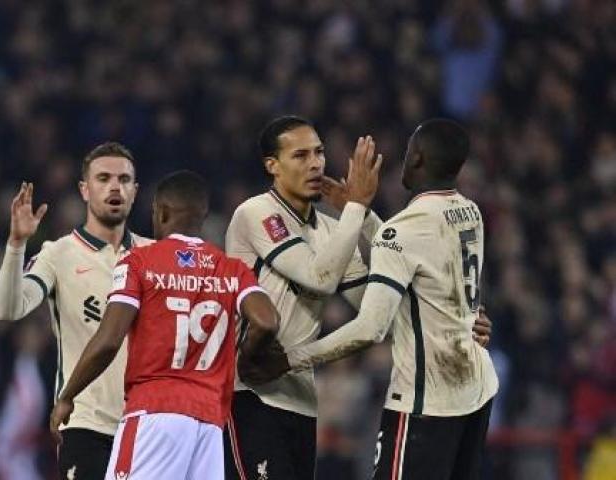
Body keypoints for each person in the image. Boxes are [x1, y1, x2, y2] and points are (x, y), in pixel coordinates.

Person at [245, 118, 499, 480]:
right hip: (476, 390)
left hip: (426, 403)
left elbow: (369, 328)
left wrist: (290, 360)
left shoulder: (405, 229)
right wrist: (362, 214)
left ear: (417, 160)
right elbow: (419, 259)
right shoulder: (470, 212)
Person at [49, 170, 282, 480]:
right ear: (202, 215)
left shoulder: (139, 262)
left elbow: (108, 340)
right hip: (210, 423)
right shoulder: (232, 269)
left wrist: (68, 395)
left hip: (154, 413)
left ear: (161, 211)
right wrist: (250, 356)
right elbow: (267, 321)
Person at [223, 115, 386, 480]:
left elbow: (374, 309)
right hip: (249, 391)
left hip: (302, 400)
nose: (315, 163)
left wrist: (364, 217)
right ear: (273, 166)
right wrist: (355, 210)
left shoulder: (333, 230)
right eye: (300, 155)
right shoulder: (256, 213)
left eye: (319, 152)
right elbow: (319, 278)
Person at [0, 142, 152, 479]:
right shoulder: (58, 254)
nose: (114, 187)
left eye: (124, 179)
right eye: (103, 178)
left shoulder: (155, 255)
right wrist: (17, 245)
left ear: (135, 191)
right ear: (84, 189)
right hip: (87, 425)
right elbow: (9, 309)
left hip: (150, 426)